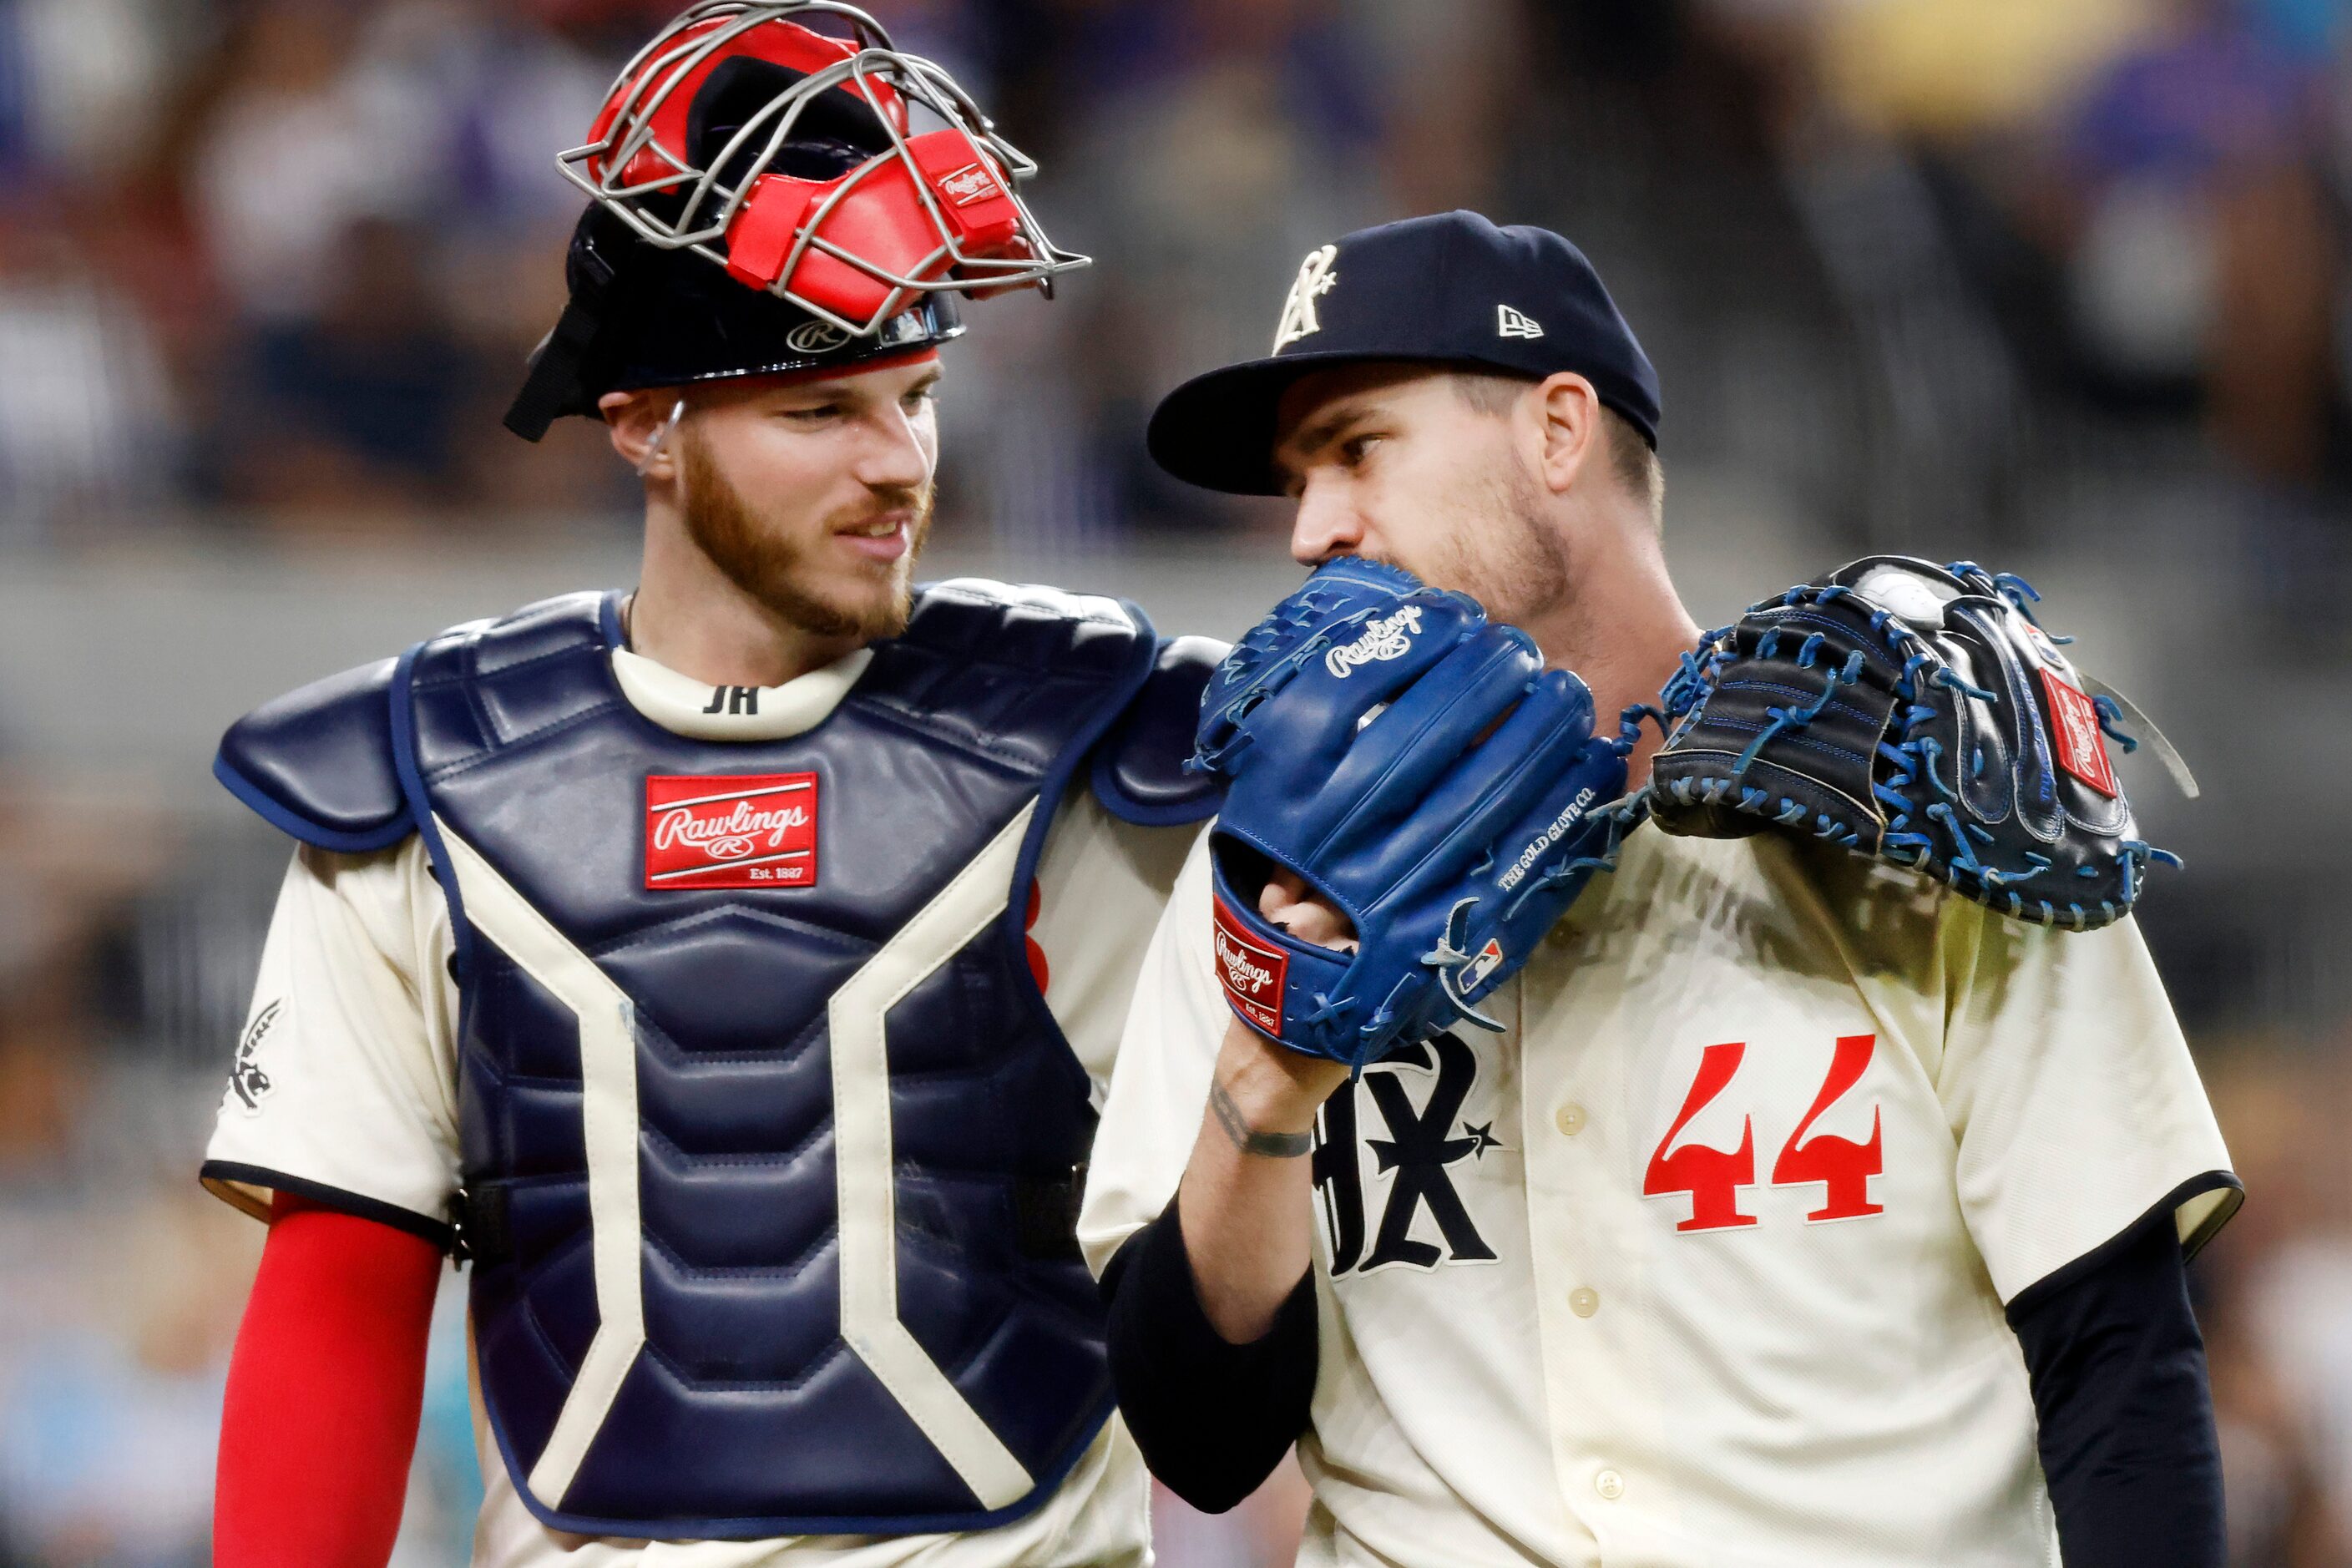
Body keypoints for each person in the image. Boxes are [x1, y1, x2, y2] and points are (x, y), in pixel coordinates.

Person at [200, 8, 1221, 1565]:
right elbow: (340, 1299)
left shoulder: (1098, 741)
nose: (898, 463)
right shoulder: (427, 780)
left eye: (917, 394)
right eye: (821, 409)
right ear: (644, 426)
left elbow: (1268, 1240)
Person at [1079, 210, 2242, 1566]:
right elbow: (1205, 1442)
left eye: (1355, 448)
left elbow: (2120, 1368)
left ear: (1557, 431)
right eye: (1295, 481)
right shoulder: (1259, 884)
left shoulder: (1915, 806)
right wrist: (1265, 1083)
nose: (1312, 528)